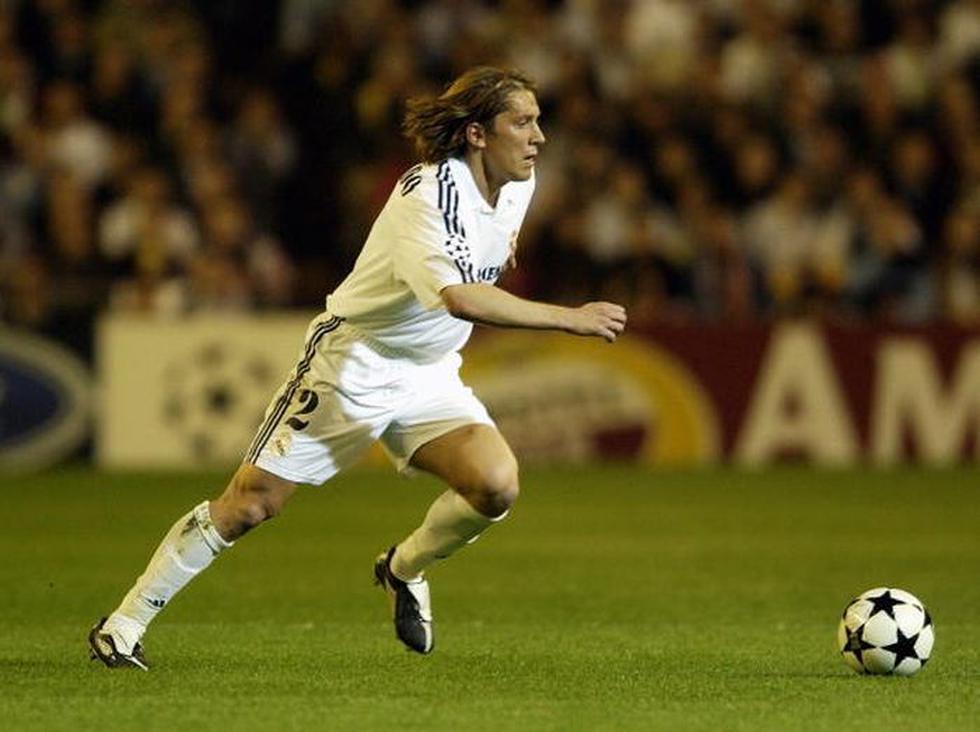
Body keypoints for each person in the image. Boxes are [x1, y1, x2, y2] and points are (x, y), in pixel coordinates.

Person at [88, 66, 627, 669]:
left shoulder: (519, 183)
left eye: (538, 121)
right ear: (477, 134)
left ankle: (402, 569)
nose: (539, 137)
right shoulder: (429, 195)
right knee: (250, 505)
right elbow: (460, 296)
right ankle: (124, 623)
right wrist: (568, 318)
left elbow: (492, 250)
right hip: (353, 364)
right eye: (522, 122)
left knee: (496, 485)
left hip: (428, 370)